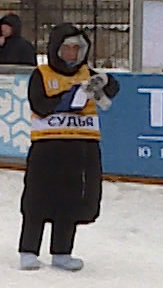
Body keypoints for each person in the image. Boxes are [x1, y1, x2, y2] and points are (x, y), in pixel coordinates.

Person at [19, 24, 120, 272]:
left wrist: (104, 82)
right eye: (67, 48)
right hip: (48, 145)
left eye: (77, 49)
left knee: (71, 198)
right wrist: (70, 98)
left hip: (80, 146)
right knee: (37, 198)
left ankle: (62, 251)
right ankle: (28, 249)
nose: (72, 54)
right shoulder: (41, 74)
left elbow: (113, 87)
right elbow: (40, 104)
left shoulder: (87, 73)